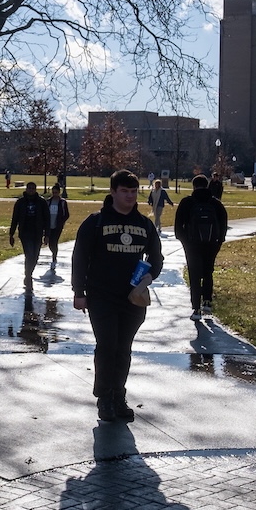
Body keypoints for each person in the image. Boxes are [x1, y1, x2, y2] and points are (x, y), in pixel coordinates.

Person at [71, 170, 163, 422]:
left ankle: (118, 395)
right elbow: (79, 258)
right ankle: (104, 398)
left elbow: (156, 258)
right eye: (124, 191)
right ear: (113, 192)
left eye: (134, 192)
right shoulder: (95, 222)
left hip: (132, 300)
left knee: (123, 349)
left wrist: (150, 276)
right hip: (101, 297)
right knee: (107, 345)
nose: (130, 196)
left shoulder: (144, 225)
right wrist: (79, 292)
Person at [174, 175, 228, 321]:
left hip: (192, 245)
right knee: (208, 271)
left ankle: (196, 308)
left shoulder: (187, 202)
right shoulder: (216, 204)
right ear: (207, 185)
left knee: (194, 274)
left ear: (193, 186)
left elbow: (178, 226)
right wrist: (219, 241)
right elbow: (223, 224)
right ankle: (207, 301)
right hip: (211, 243)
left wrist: (185, 241)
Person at [8, 181, 49, 286]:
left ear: (35, 190)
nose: (30, 190)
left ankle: (29, 272)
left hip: (37, 232)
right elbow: (15, 218)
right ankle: (28, 275)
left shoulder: (41, 202)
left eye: (32, 188)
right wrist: (11, 234)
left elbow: (47, 219)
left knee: (35, 256)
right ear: (26, 189)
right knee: (29, 254)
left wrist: (47, 235)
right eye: (29, 188)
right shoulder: (20, 203)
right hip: (25, 232)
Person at [44, 184, 71, 265]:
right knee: (49, 243)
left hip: (57, 226)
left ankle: (54, 256)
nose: (54, 194)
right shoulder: (48, 202)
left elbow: (66, 214)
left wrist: (61, 222)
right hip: (49, 226)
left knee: (54, 242)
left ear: (59, 192)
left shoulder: (62, 202)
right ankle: (53, 252)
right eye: (53, 192)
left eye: (56, 192)